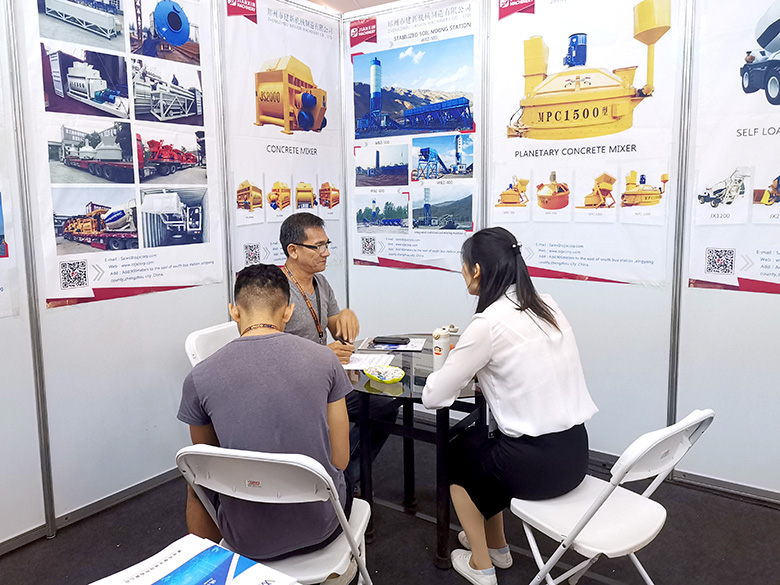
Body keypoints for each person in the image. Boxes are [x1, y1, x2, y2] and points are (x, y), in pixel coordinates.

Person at [422, 227, 598, 585]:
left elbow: (434, 397)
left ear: (477, 271)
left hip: (535, 468)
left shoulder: (488, 323)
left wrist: (449, 367)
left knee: (456, 455)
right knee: (482, 445)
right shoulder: (547, 305)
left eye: (463, 266)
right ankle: (499, 547)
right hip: (576, 453)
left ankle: (481, 564)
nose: (462, 272)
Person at [178, 264, 357, 582]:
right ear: (288, 312)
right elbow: (340, 459)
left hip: (246, 540)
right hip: (322, 527)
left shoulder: (199, 377)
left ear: (234, 311)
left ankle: (207, 572)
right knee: (344, 474)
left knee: (195, 483)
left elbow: (207, 466)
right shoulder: (325, 360)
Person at [279, 212, 398, 488]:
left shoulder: (320, 282)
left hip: (325, 380)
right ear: (293, 250)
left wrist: (345, 318)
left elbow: (335, 330)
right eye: (318, 246)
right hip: (296, 387)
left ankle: (344, 476)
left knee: (385, 405)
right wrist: (322, 354)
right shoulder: (277, 290)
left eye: (327, 244)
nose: (326, 253)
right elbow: (272, 350)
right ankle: (335, 479)